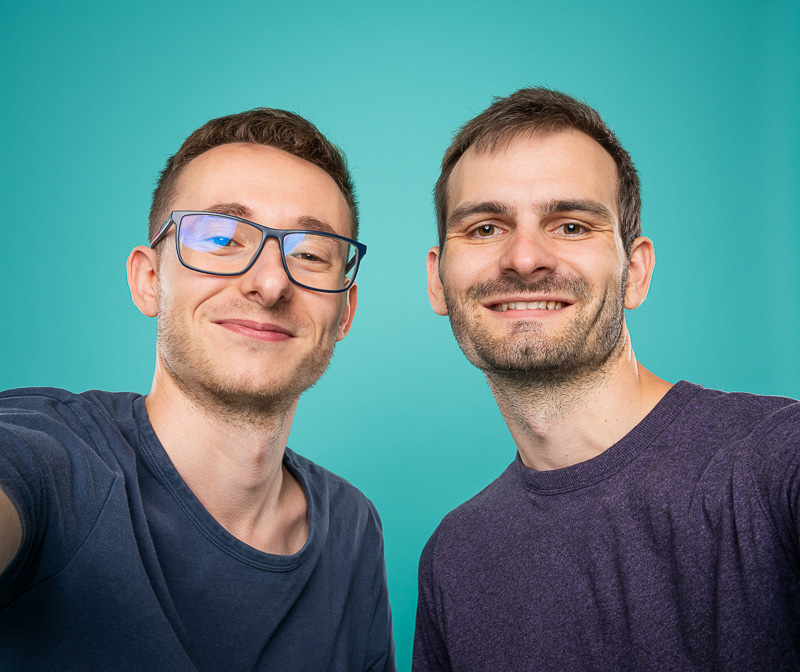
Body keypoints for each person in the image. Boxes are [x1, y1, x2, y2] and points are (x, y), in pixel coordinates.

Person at [413, 87, 800, 671]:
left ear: (635, 273)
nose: (523, 258)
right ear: (438, 281)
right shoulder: (454, 557)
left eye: (570, 226)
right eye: (486, 228)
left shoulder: (775, 461)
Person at [0, 108, 395, 671]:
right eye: (221, 238)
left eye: (309, 253)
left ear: (345, 312)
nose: (270, 282)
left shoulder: (354, 527)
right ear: (149, 280)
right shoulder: (53, 460)